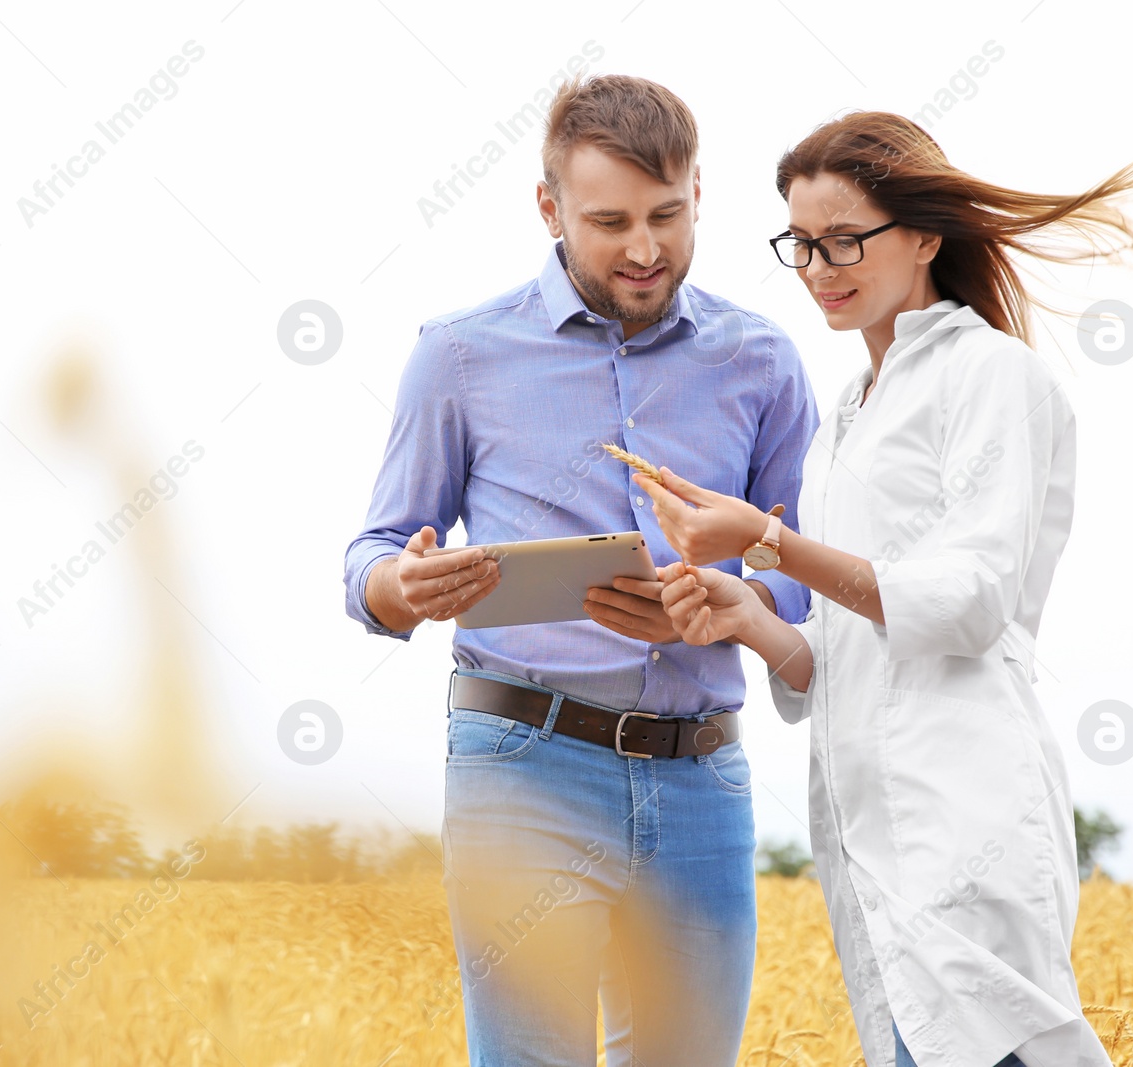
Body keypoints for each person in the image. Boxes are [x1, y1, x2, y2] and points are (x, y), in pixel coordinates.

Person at [634, 112, 1133, 1067]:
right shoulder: (845, 418)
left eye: (845, 240)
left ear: (924, 236)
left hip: (964, 819)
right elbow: (839, 657)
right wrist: (753, 616)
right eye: (801, 244)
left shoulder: (993, 375)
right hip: (872, 845)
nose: (819, 267)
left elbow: (966, 601)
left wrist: (766, 538)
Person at [342, 75, 818, 1066]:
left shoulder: (763, 361)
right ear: (549, 207)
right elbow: (377, 551)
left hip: (702, 772)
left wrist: (731, 603)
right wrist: (400, 586)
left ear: (699, 194)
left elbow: (795, 564)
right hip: (523, 766)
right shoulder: (460, 355)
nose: (644, 249)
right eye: (609, 221)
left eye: (667, 215)